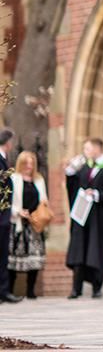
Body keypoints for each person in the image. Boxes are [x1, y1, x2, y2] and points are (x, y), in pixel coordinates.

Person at [64, 138, 103, 299]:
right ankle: (76, 288)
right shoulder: (85, 168)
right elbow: (73, 187)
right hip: (83, 217)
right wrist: (71, 171)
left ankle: (97, 287)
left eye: (88, 148)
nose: (85, 151)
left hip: (100, 219)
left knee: (97, 251)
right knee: (79, 251)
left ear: (97, 149)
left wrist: (95, 194)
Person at [8, 150, 47, 300]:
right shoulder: (14, 179)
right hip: (19, 222)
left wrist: (42, 207)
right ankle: (10, 290)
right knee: (14, 259)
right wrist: (18, 211)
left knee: (34, 259)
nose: (29, 166)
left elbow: (43, 199)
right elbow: (8, 201)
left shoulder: (38, 180)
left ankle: (31, 290)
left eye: (32, 163)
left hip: (34, 223)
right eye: (26, 163)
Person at [0, 130, 18, 303]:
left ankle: (3, 291)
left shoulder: (4, 159)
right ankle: (3, 291)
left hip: (5, 216)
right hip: (1, 216)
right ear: (9, 142)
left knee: (3, 255)